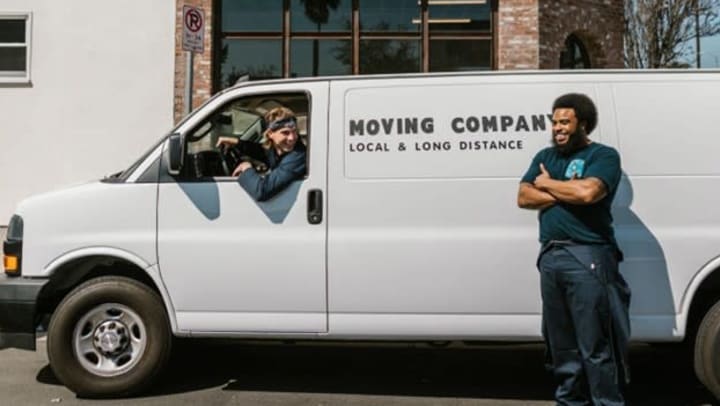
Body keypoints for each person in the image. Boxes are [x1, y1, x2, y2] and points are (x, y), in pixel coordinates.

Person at [517, 93, 631, 405]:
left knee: (596, 345)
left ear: (583, 123)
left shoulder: (604, 156)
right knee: (561, 345)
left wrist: (548, 184)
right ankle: (570, 402)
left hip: (589, 258)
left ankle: (607, 402)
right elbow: (524, 197)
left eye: (564, 122)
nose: (557, 128)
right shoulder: (546, 156)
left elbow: (588, 193)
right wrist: (562, 189)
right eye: (554, 122)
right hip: (551, 257)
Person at [217, 106, 307, 201]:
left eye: (294, 132)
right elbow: (261, 152)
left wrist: (246, 168)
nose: (292, 138)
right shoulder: (278, 150)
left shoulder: (298, 156)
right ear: (270, 134)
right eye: (285, 133)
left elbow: (262, 191)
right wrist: (235, 142)